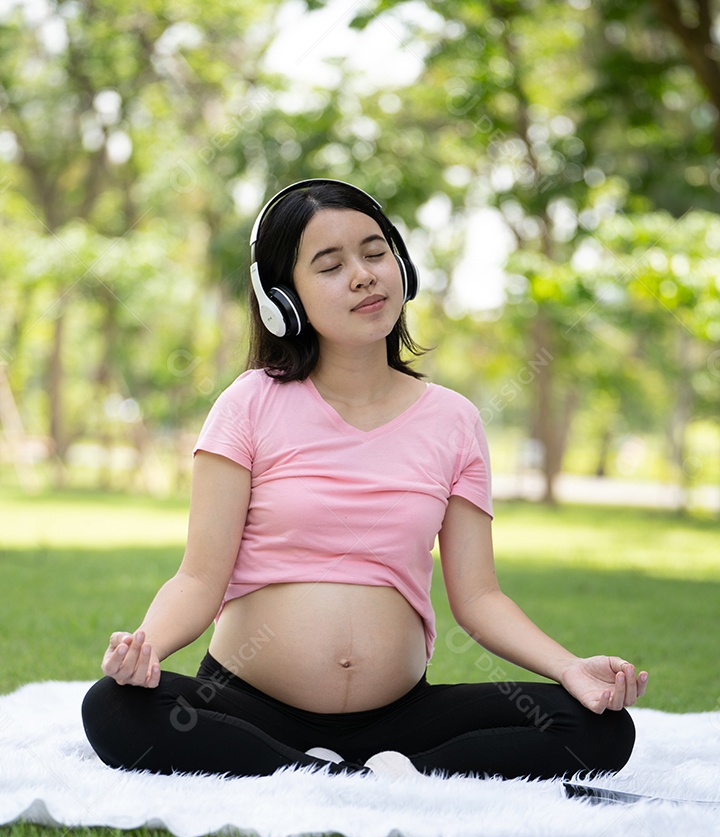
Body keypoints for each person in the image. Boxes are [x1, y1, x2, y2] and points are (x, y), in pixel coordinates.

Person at [82, 178, 646, 781]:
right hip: (249, 705)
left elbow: (479, 598)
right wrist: (145, 648)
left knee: (600, 728)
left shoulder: (454, 420)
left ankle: (360, 772)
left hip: (399, 716)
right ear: (282, 299)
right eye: (331, 266)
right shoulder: (248, 403)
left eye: (375, 253)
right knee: (114, 707)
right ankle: (343, 776)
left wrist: (568, 667)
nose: (363, 276)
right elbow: (198, 578)